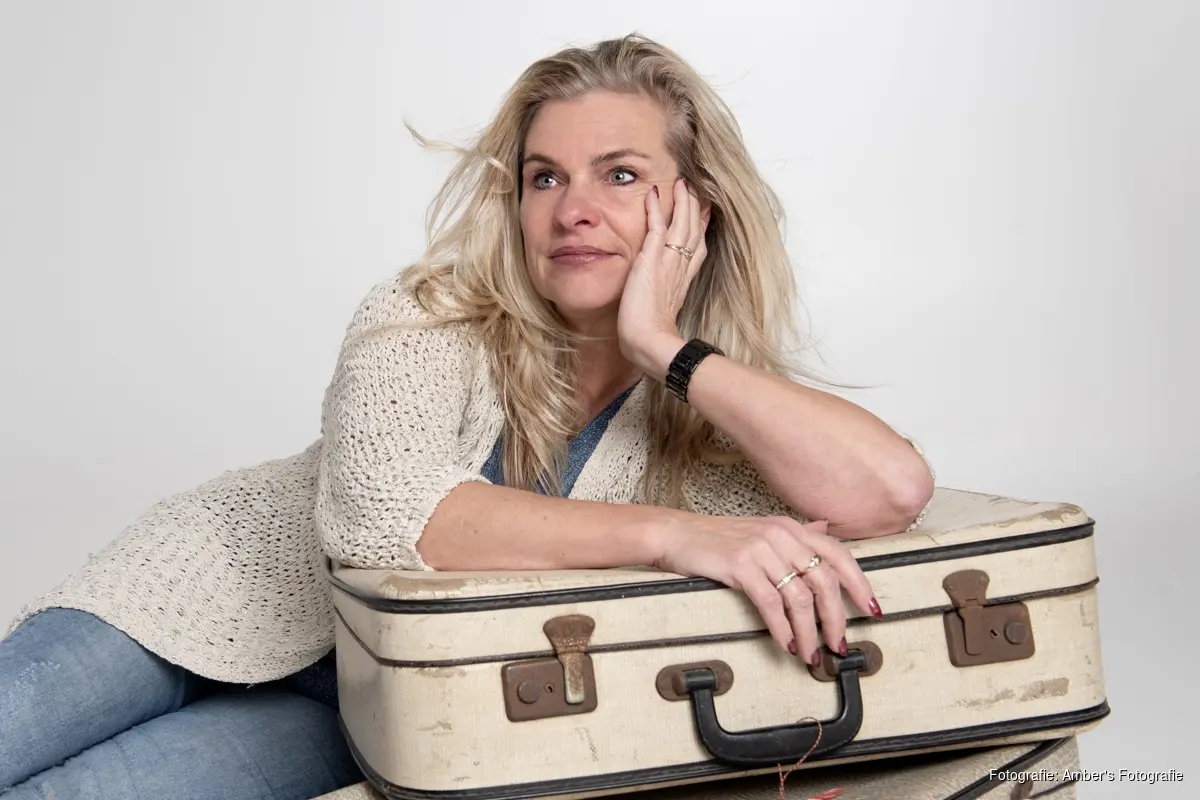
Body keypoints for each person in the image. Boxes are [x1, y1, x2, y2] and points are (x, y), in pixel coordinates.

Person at [0, 33, 934, 799]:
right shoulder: (426, 312)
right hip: (206, 597)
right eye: (545, 178)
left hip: (366, 706)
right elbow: (385, 520)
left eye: (619, 175)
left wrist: (663, 346)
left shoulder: (709, 414)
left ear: (696, 203)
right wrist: (673, 535)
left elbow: (890, 491)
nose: (573, 210)